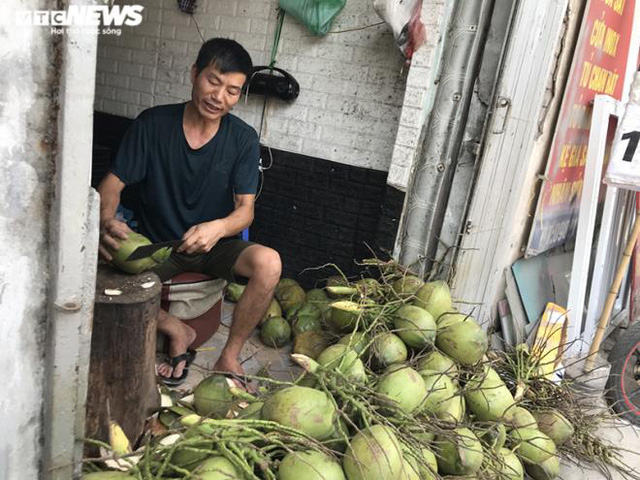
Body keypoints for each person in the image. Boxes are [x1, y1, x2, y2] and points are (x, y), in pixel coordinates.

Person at [98, 38, 281, 386]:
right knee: (92, 252)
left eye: (232, 90)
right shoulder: (153, 124)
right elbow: (111, 185)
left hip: (213, 245)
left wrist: (218, 227)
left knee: (269, 264)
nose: (219, 97)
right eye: (213, 81)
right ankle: (174, 328)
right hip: (157, 243)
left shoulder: (242, 139)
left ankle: (228, 356)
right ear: (195, 74)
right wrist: (106, 220)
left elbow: (246, 211)